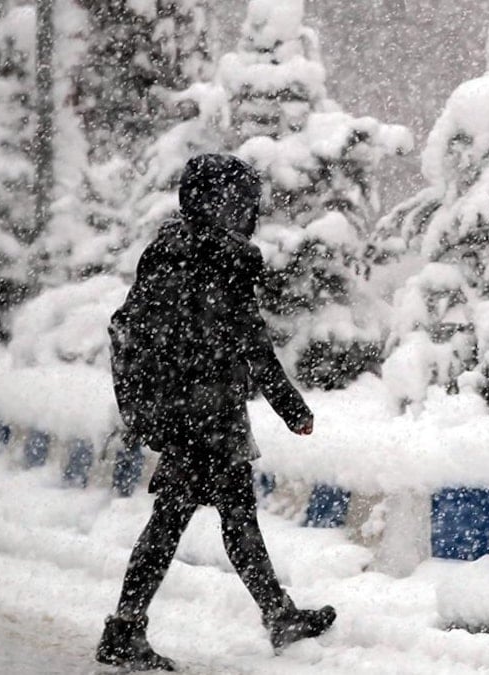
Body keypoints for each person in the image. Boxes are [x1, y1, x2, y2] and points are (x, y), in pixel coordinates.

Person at [97, 154, 335, 671]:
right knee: (186, 520)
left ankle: (276, 615)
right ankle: (125, 628)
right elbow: (252, 344)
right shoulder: (219, 260)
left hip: (186, 411)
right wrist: (292, 408)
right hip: (203, 416)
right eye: (242, 202)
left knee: (222, 515)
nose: (248, 212)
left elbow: (160, 331)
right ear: (220, 203)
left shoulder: (170, 250)